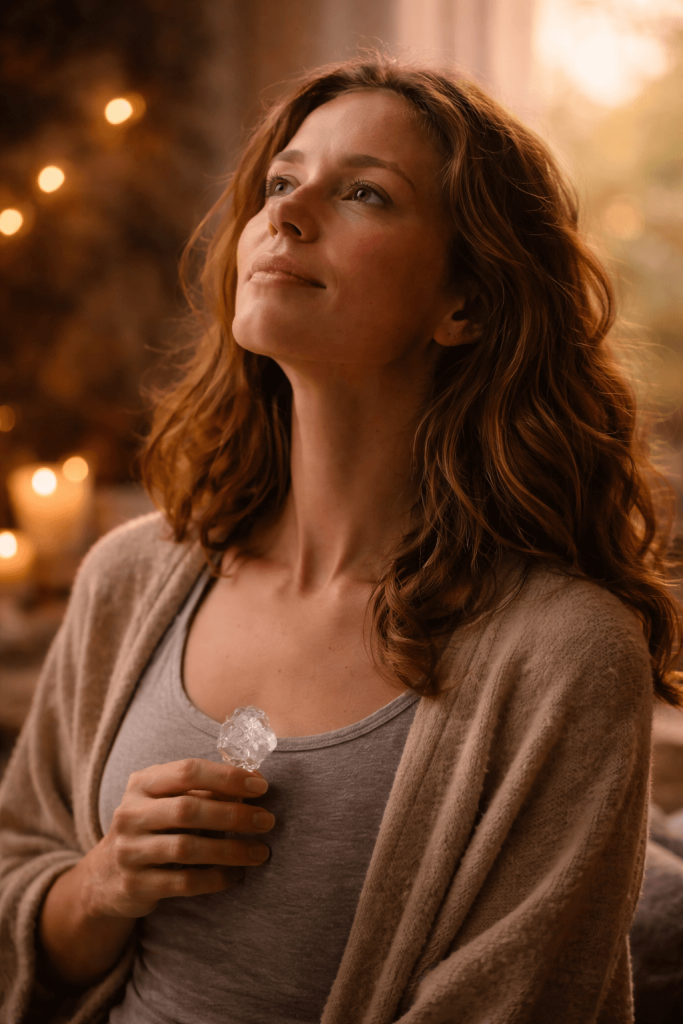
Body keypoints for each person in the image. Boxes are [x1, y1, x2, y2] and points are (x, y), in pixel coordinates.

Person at [0, 54, 681, 1024]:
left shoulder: (565, 655)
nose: (285, 213)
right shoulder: (129, 576)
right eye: (281, 182)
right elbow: (18, 883)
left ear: (465, 303)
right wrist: (103, 882)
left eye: (364, 192)